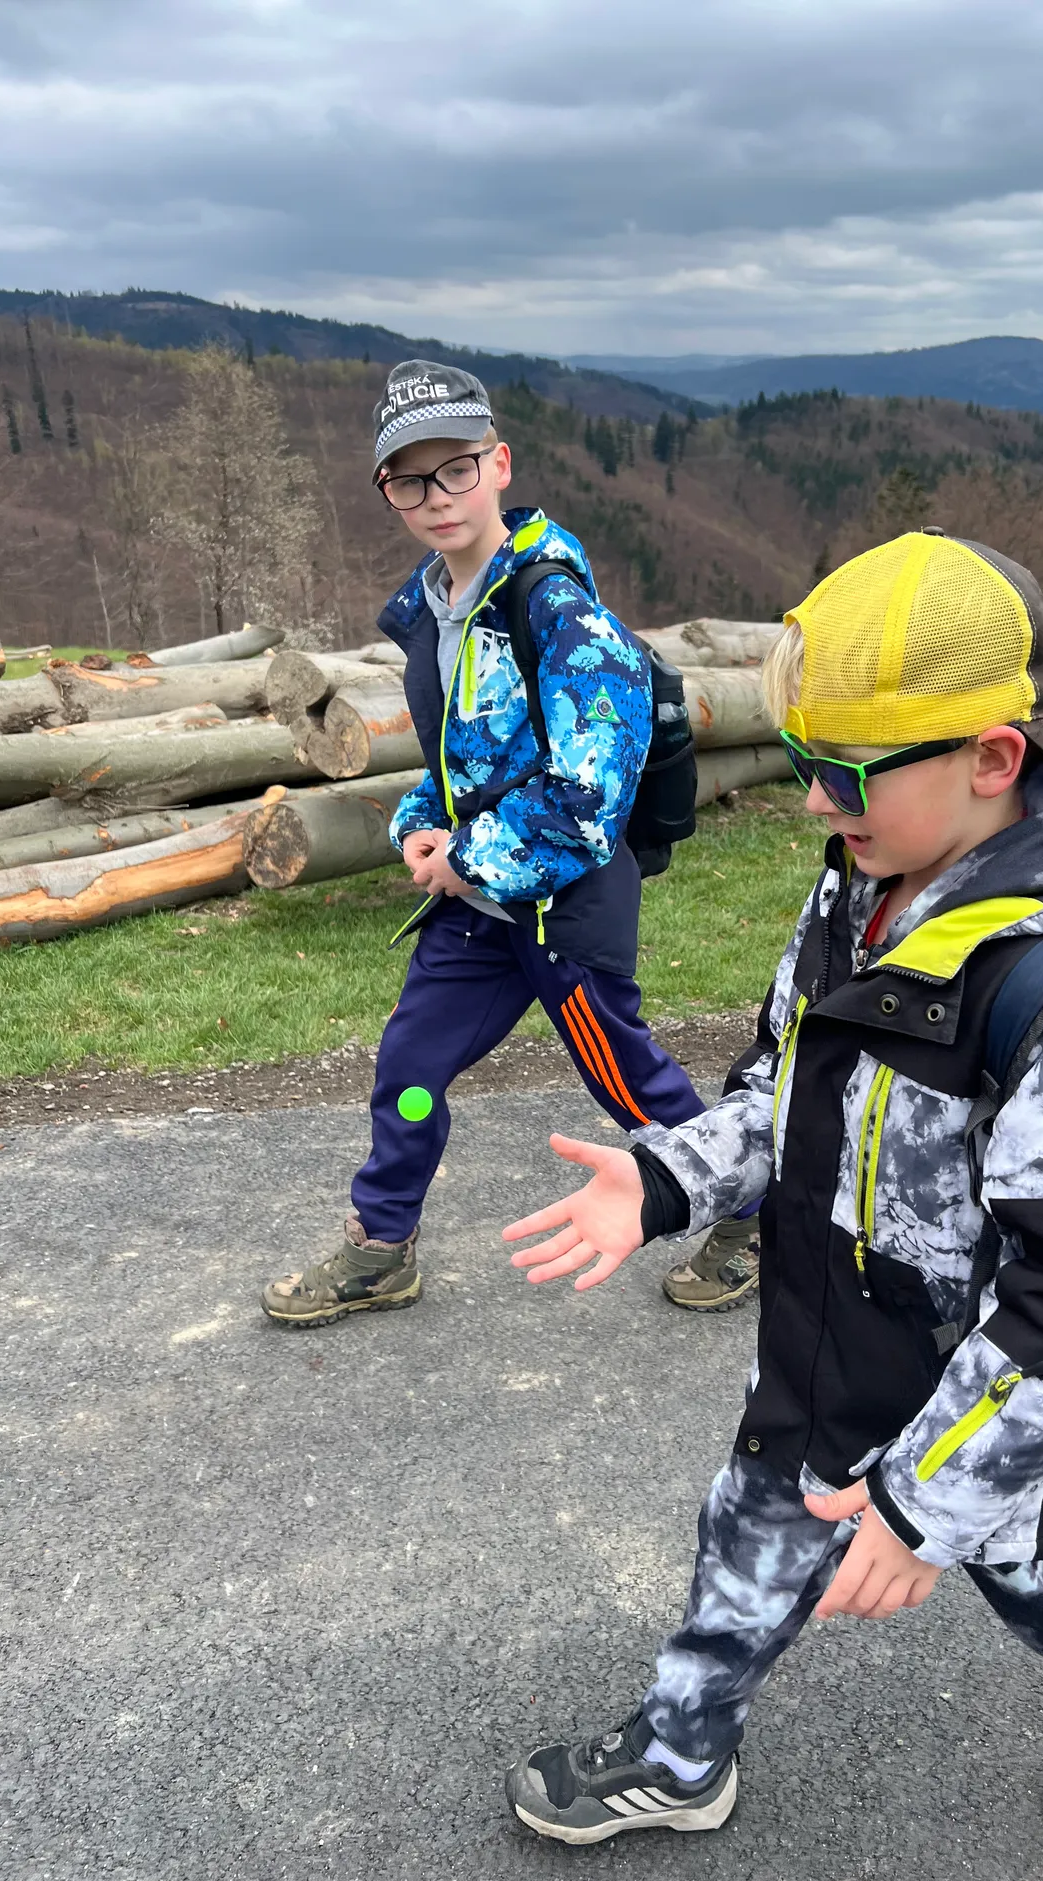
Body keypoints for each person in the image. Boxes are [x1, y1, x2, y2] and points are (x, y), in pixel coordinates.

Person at [500, 529, 1043, 1848]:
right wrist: (664, 1179)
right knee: (753, 1520)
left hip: (982, 1404)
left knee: (1041, 1578)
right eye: (804, 761)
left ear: (992, 759)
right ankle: (681, 1752)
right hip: (830, 1337)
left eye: (844, 772)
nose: (813, 802)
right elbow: (786, 1091)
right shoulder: (863, 887)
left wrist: (923, 1513)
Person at [262, 360, 757, 1327]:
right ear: (387, 493)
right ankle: (380, 1246)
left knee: (631, 1085)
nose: (437, 496)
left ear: (499, 464)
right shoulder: (436, 612)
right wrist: (421, 826)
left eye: (456, 469)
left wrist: (469, 858)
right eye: (410, 481)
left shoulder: (557, 610)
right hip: (478, 911)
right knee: (409, 1071)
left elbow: (591, 796)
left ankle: (751, 1206)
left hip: (563, 909)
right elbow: (468, 762)